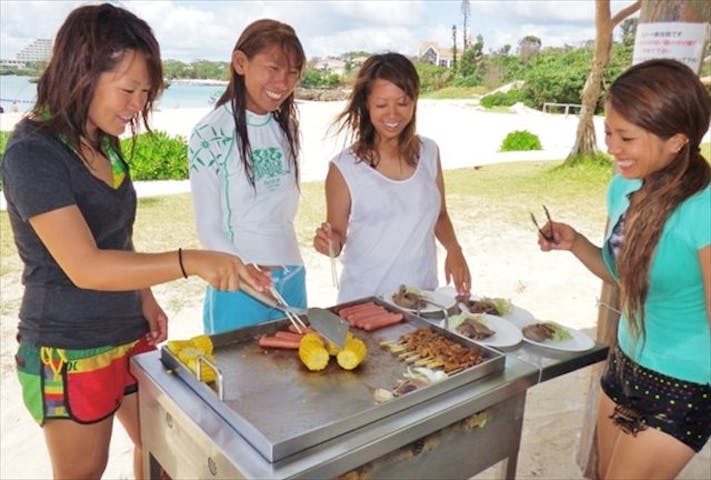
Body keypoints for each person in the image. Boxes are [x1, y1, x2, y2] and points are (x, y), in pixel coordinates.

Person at [0, 4, 271, 479]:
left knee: (162, 447)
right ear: (80, 72)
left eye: (145, 93)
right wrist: (191, 260)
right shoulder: (32, 153)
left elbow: (114, 236)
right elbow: (84, 265)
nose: (137, 106)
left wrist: (144, 297)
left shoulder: (103, 140)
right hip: (70, 347)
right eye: (128, 90)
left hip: (128, 331)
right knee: (84, 470)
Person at [536, 58, 710, 479]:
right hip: (626, 361)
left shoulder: (703, 209)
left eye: (626, 137)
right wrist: (576, 243)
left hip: (683, 380)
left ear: (677, 141)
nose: (612, 147)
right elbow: (623, 278)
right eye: (609, 132)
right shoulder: (623, 187)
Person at [312, 52, 471, 303]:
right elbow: (338, 234)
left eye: (403, 103)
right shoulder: (343, 168)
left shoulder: (430, 152)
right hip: (365, 304)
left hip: (423, 301)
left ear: (415, 101)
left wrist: (454, 249)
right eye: (382, 105)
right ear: (366, 104)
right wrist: (329, 243)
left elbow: (439, 214)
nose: (393, 114)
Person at [189, 19, 307, 334]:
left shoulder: (288, 128)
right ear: (241, 63)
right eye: (273, 68)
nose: (283, 82)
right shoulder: (210, 133)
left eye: (293, 72)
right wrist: (245, 270)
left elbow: (281, 214)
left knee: (296, 378)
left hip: (292, 274)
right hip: (238, 284)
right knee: (239, 380)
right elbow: (208, 226)